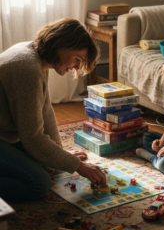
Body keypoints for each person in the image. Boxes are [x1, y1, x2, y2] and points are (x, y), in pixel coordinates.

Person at [0, 18, 107, 202]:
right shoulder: (27, 69)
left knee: (46, 160)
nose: (76, 67)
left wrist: (61, 154)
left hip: (5, 134)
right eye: (77, 59)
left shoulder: (36, 56)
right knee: (39, 184)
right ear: (61, 45)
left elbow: (45, 110)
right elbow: (32, 137)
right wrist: (77, 166)